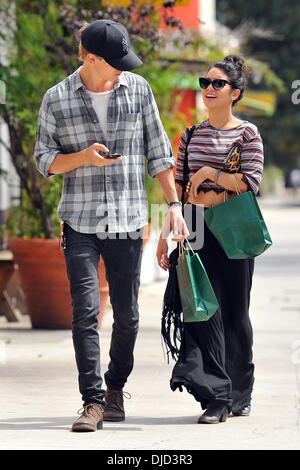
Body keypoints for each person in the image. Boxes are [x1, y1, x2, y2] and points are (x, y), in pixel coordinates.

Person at [34, 19, 188, 432]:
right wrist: (82, 157)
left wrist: (173, 205)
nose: (124, 67)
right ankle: (93, 402)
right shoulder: (57, 98)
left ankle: (115, 387)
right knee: (85, 313)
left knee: (129, 315)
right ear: (90, 58)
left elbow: (159, 153)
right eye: (115, 61)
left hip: (127, 219)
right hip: (80, 221)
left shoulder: (138, 90)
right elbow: (44, 160)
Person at [157, 55, 264, 424]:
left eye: (217, 84)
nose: (208, 89)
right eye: (205, 82)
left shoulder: (247, 134)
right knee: (204, 311)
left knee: (236, 313)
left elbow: (250, 183)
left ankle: (240, 391)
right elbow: (180, 193)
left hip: (233, 231)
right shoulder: (191, 135)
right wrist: (164, 237)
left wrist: (209, 174)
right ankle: (217, 396)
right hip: (196, 228)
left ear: (235, 93)